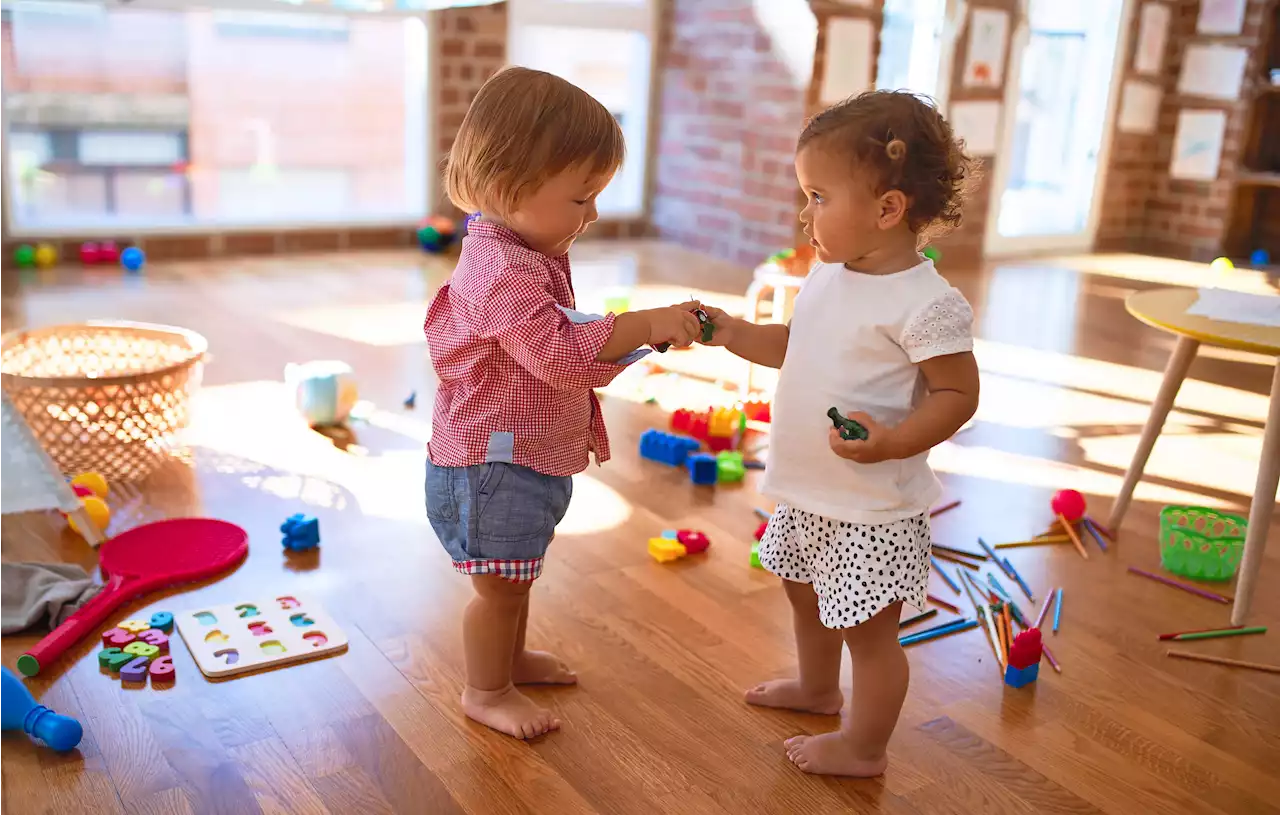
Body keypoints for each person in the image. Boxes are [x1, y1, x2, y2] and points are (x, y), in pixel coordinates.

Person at [701, 90, 980, 776]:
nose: (806, 212)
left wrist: (894, 439)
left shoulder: (927, 303)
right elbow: (796, 343)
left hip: (872, 507)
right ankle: (819, 688)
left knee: (870, 631)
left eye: (819, 196)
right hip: (811, 490)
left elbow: (958, 393)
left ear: (888, 208)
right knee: (803, 590)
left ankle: (865, 747)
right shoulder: (827, 272)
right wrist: (734, 333)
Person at [424, 66, 701, 740]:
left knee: (515, 576)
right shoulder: (499, 272)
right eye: (582, 199)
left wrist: (645, 338)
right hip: (491, 466)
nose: (594, 215)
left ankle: (510, 660)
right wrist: (643, 320)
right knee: (499, 585)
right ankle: (486, 688)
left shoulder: (525, 248)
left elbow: (570, 344)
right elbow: (561, 355)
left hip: (526, 455)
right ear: (504, 189)